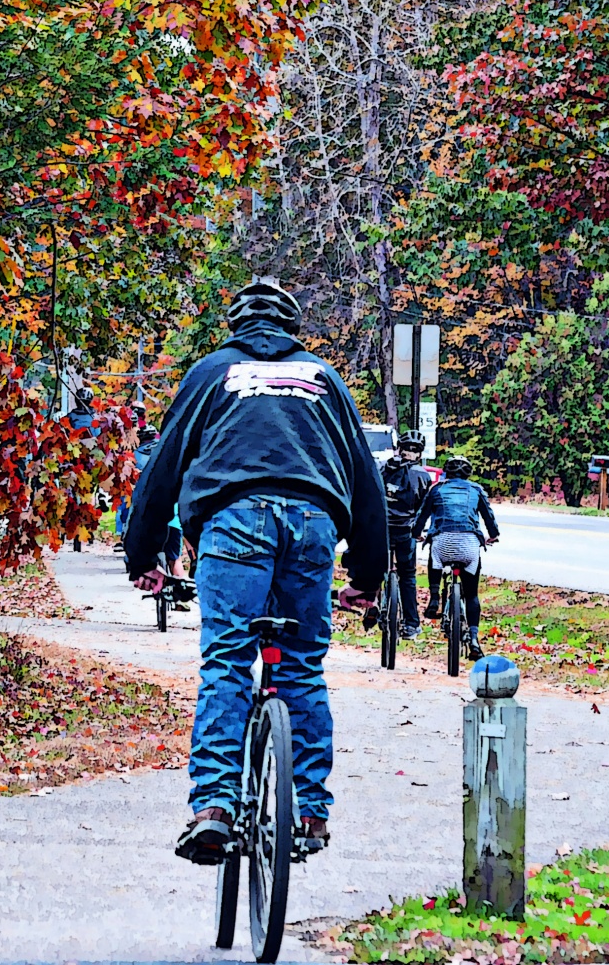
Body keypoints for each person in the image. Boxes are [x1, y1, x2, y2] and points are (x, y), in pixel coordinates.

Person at [123, 279, 388, 861]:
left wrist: (143, 556)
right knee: (301, 667)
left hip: (233, 522)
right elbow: (367, 483)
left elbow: (162, 469)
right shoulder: (323, 380)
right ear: (293, 329)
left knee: (226, 658)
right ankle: (311, 813)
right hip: (314, 524)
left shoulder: (211, 372)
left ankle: (214, 807)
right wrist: (367, 577)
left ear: (237, 325)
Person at [413, 453, 500, 660]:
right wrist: (493, 536)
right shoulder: (476, 490)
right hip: (469, 545)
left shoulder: (437, 489)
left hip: (443, 542)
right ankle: (474, 639)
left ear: (446, 473)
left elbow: (421, 517)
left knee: (435, 556)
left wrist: (417, 534)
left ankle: (434, 598)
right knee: (472, 594)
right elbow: (489, 518)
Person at [380, 430, 433, 637]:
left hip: (381, 529)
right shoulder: (423, 476)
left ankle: (373, 605)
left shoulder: (382, 469)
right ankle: (411, 623)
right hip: (406, 531)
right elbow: (423, 508)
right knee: (408, 577)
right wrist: (419, 531)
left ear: (398, 449)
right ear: (419, 454)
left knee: (375, 569)